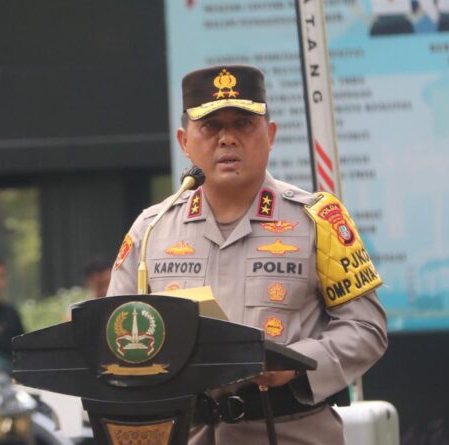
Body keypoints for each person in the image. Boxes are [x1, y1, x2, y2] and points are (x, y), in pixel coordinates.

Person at [106, 65, 388, 444]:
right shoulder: (151, 229)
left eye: (243, 124)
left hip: (290, 431)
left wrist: (296, 363)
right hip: (187, 431)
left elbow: (367, 329)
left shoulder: (317, 220)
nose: (227, 139)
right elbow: (113, 333)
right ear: (184, 141)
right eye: (211, 126)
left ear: (270, 135)